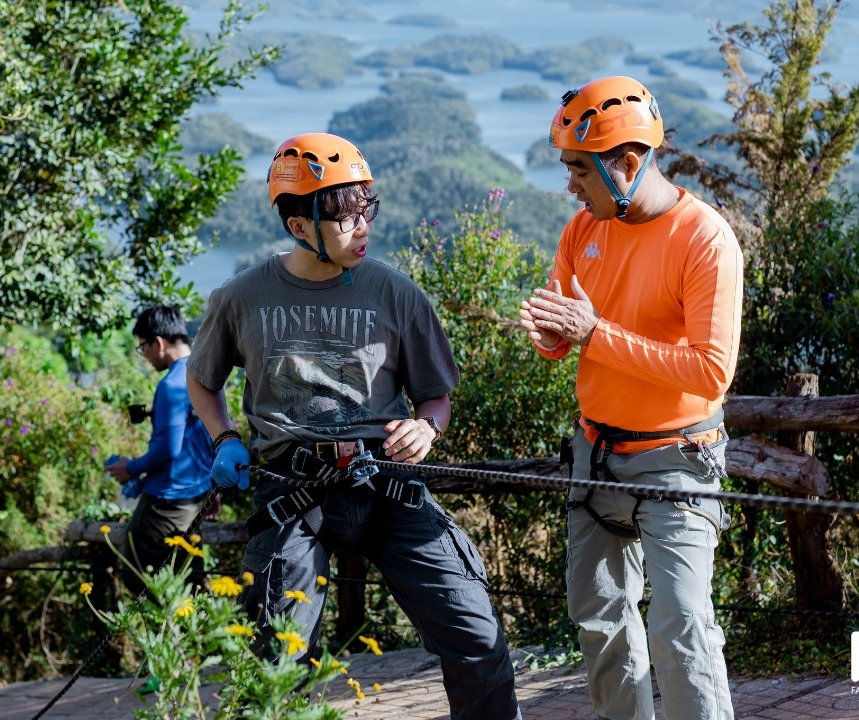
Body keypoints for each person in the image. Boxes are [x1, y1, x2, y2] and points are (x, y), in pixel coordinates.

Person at [185, 132, 521, 720]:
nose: (363, 227)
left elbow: (436, 395)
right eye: (346, 218)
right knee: (278, 659)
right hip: (295, 490)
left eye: (368, 210)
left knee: (473, 629)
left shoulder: (397, 294)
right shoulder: (242, 297)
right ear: (299, 227)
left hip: (386, 482)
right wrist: (226, 439)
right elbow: (202, 380)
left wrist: (427, 428)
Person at [518, 76, 742, 720]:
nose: (570, 187)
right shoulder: (582, 230)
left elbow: (709, 372)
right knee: (602, 624)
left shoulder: (703, 239)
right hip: (596, 456)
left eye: (579, 171)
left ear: (628, 163)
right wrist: (555, 339)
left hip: (679, 461)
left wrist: (594, 333)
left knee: (683, 627)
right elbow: (570, 338)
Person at [105, 305, 214, 593]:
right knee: (189, 578)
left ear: (159, 342)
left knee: (137, 576)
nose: (146, 355)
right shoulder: (206, 373)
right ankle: (199, 635)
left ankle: (169, 635)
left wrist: (129, 468)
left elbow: (168, 448)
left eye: (143, 347)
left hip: (166, 500)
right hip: (198, 496)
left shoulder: (171, 385)